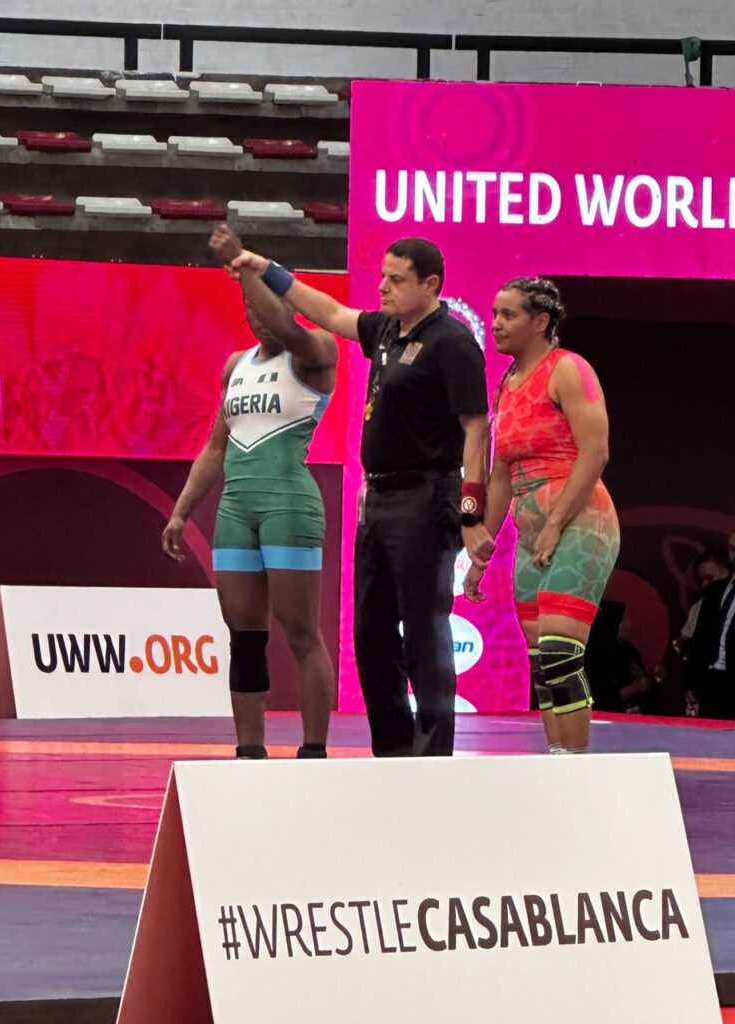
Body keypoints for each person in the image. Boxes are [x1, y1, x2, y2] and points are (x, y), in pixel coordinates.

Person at [227, 236, 491, 757]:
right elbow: (328, 311)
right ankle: (392, 750)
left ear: (431, 285)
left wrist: (471, 514)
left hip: (425, 493)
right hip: (379, 496)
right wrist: (266, 266)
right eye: (383, 276)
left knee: (424, 628)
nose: (383, 286)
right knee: (370, 631)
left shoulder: (452, 342)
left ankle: (432, 755)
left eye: (397, 279)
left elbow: (477, 429)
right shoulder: (386, 329)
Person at [161, 225, 337, 759]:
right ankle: (249, 751)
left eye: (264, 305)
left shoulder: (315, 350)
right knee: (244, 635)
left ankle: (313, 751)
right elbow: (215, 447)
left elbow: (285, 327)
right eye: (250, 310)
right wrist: (181, 512)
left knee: (301, 632)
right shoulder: (235, 366)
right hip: (237, 508)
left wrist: (242, 265)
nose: (258, 317)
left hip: (288, 504)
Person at [464, 277, 620, 754]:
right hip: (532, 536)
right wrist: (481, 554)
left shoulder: (568, 369)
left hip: (580, 523)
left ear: (541, 322)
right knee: (542, 665)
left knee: (561, 654)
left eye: (508, 315)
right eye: (494, 314)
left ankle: (576, 763)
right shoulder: (506, 386)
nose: (496, 323)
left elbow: (596, 451)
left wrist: (554, 525)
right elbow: (500, 477)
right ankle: (558, 760)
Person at [686, 530, 735, 720]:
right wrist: (691, 683)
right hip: (711, 682)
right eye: (732, 549)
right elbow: (699, 638)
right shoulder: (715, 590)